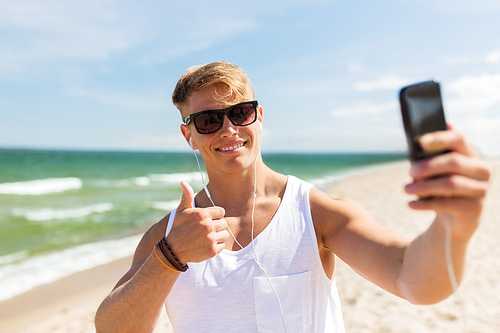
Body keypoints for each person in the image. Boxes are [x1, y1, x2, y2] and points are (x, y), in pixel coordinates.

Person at [95, 61, 492, 333]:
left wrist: (453, 227)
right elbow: (113, 327)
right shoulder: (167, 236)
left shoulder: (315, 212)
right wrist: (170, 258)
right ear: (189, 135)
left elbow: (413, 279)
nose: (229, 129)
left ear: (259, 117)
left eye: (241, 112)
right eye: (209, 120)